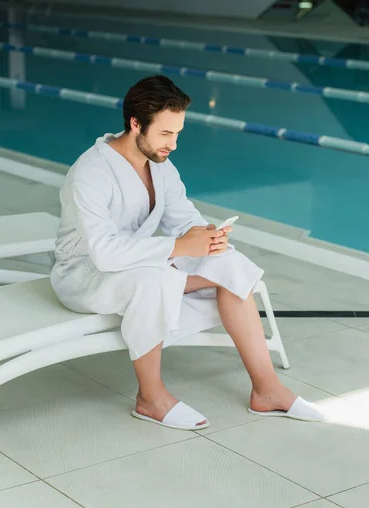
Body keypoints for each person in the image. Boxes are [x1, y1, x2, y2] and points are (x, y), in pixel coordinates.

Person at [51, 75, 325, 430]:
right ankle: (150, 397)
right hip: (85, 275)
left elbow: (184, 220)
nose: (174, 144)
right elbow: (104, 254)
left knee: (227, 262)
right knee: (152, 279)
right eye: (166, 134)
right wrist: (180, 246)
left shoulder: (160, 165)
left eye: (178, 133)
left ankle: (267, 389)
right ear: (135, 124)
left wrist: (207, 237)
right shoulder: (91, 173)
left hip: (142, 261)